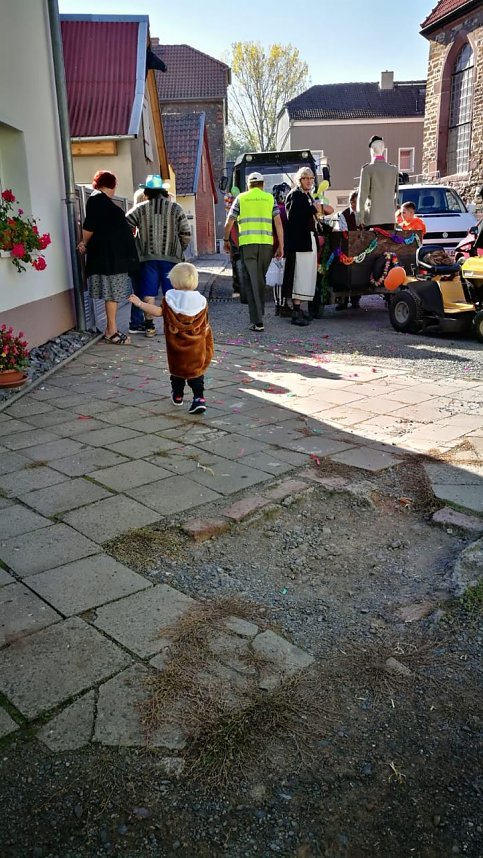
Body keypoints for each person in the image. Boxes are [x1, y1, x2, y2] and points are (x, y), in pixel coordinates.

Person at [128, 262, 213, 414]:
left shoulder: (170, 299)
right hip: (197, 347)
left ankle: (178, 395)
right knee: (196, 374)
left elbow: (158, 312)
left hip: (176, 348)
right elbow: (205, 324)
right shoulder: (201, 301)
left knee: (177, 373)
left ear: (174, 281)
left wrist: (140, 303)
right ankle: (199, 398)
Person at [77, 170, 139, 345]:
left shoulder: (100, 201)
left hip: (112, 257)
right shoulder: (97, 199)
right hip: (110, 258)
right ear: (111, 185)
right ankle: (111, 331)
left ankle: (110, 329)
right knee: (112, 294)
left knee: (112, 294)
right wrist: (84, 242)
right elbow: (90, 226)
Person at [126, 175, 191, 338]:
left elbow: (124, 225)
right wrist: (179, 248)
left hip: (148, 259)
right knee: (172, 293)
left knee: (149, 292)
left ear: (146, 192)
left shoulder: (140, 209)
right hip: (171, 259)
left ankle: (149, 327)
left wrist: (135, 245)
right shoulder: (176, 208)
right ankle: (172, 327)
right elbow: (186, 233)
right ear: (163, 191)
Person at [223, 171, 284, 332]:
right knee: (259, 280)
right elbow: (278, 223)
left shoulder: (241, 198)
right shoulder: (270, 199)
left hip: (248, 245)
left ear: (248, 185)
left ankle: (258, 321)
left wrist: (226, 240)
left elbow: (229, 222)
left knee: (252, 281)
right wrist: (281, 246)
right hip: (266, 245)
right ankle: (259, 314)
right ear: (262, 185)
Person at [282, 167, 333, 326]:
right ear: (299, 179)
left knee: (306, 277)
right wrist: (314, 209)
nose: (309, 181)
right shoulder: (295, 195)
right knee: (299, 276)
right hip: (300, 243)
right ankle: (295, 311)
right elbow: (295, 218)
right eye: (305, 178)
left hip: (308, 240)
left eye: (311, 178)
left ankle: (299, 309)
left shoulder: (306, 195)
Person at [357, 136, 399, 230]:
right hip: (390, 218)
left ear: (371, 150)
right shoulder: (393, 169)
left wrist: (360, 219)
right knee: (389, 244)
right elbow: (396, 195)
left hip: (372, 218)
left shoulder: (367, 170)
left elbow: (362, 196)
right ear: (383, 149)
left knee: (372, 244)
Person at [336, 191, 361, 310]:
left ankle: (356, 300)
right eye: (358, 201)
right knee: (346, 272)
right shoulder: (343, 215)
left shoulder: (363, 214)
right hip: (347, 247)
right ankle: (343, 301)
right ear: (352, 202)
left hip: (361, 247)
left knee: (360, 270)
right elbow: (344, 231)